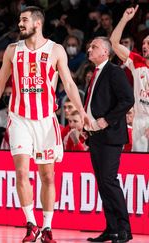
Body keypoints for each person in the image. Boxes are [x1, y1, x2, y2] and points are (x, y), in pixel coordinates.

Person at [0, 6, 89, 243]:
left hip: (45, 120)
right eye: (20, 20)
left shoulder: (55, 49)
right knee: (21, 172)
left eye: (25, 20)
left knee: (48, 176)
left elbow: (69, 84)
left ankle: (47, 226)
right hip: (19, 118)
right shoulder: (12, 50)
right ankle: (31, 223)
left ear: (37, 23)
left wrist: (82, 111)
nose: (21, 24)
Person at [84, 37, 134, 243]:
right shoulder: (95, 74)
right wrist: (87, 127)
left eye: (94, 46)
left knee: (109, 181)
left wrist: (108, 120)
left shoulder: (114, 71)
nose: (89, 49)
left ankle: (124, 229)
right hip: (95, 136)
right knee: (103, 184)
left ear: (105, 51)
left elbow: (128, 99)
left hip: (110, 135)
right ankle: (112, 229)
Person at [110, 5, 149, 152]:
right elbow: (114, 43)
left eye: (148, 43)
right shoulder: (136, 61)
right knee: (140, 167)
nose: (145, 45)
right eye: (144, 43)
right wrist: (124, 19)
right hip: (139, 120)